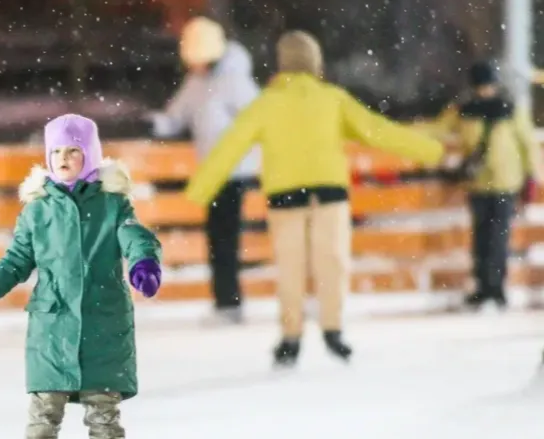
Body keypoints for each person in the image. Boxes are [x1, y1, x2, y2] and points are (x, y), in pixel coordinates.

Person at [184, 31, 445, 367]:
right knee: (332, 262)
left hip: (285, 198)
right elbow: (378, 130)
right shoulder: (332, 98)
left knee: (290, 267)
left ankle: (290, 336)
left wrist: (199, 192)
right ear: (315, 62)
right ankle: (333, 329)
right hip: (329, 195)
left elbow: (229, 147)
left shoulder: (267, 103)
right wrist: (431, 150)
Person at [0, 114, 162, 439]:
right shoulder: (37, 211)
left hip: (103, 322)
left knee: (104, 409)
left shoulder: (113, 204)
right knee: (45, 410)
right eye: (56, 151)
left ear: (90, 155)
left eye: (73, 150)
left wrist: (143, 264)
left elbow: (134, 236)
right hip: (53, 325)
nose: (63, 158)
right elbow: (15, 262)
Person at [151, 16, 260, 323]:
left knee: (226, 238)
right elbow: (176, 117)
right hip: (212, 172)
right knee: (218, 238)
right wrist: (154, 123)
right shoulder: (196, 84)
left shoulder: (236, 81)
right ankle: (226, 301)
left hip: (236, 171)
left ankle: (229, 303)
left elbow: (258, 120)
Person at [425, 61, 542, 308]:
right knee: (481, 238)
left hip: (505, 182)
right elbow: (437, 128)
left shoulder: (507, 109)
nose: (485, 90)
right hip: (479, 183)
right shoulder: (465, 110)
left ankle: (495, 289)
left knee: (497, 238)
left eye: (487, 85)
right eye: (481, 85)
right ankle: (483, 286)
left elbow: (526, 143)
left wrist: (532, 176)